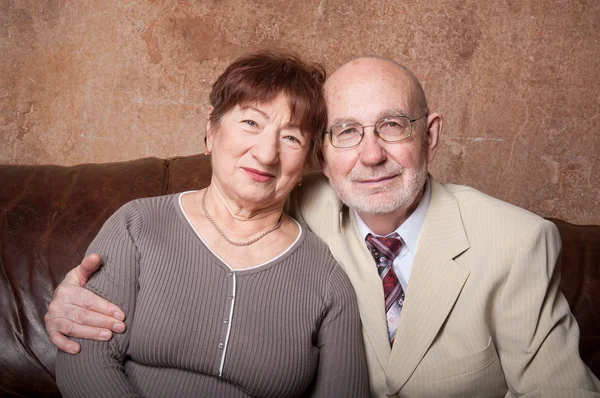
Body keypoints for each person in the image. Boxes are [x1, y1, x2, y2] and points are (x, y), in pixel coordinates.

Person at [47, 56, 600, 397]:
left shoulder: (516, 241)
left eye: (392, 126)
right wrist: (66, 301)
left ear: (429, 137)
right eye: (346, 132)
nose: (371, 155)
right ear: (325, 154)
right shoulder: (282, 198)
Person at [53, 50, 370, 398]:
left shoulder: (327, 278)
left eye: (291, 137)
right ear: (211, 126)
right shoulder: (137, 225)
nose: (266, 154)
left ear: (309, 158)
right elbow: (83, 362)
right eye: (251, 122)